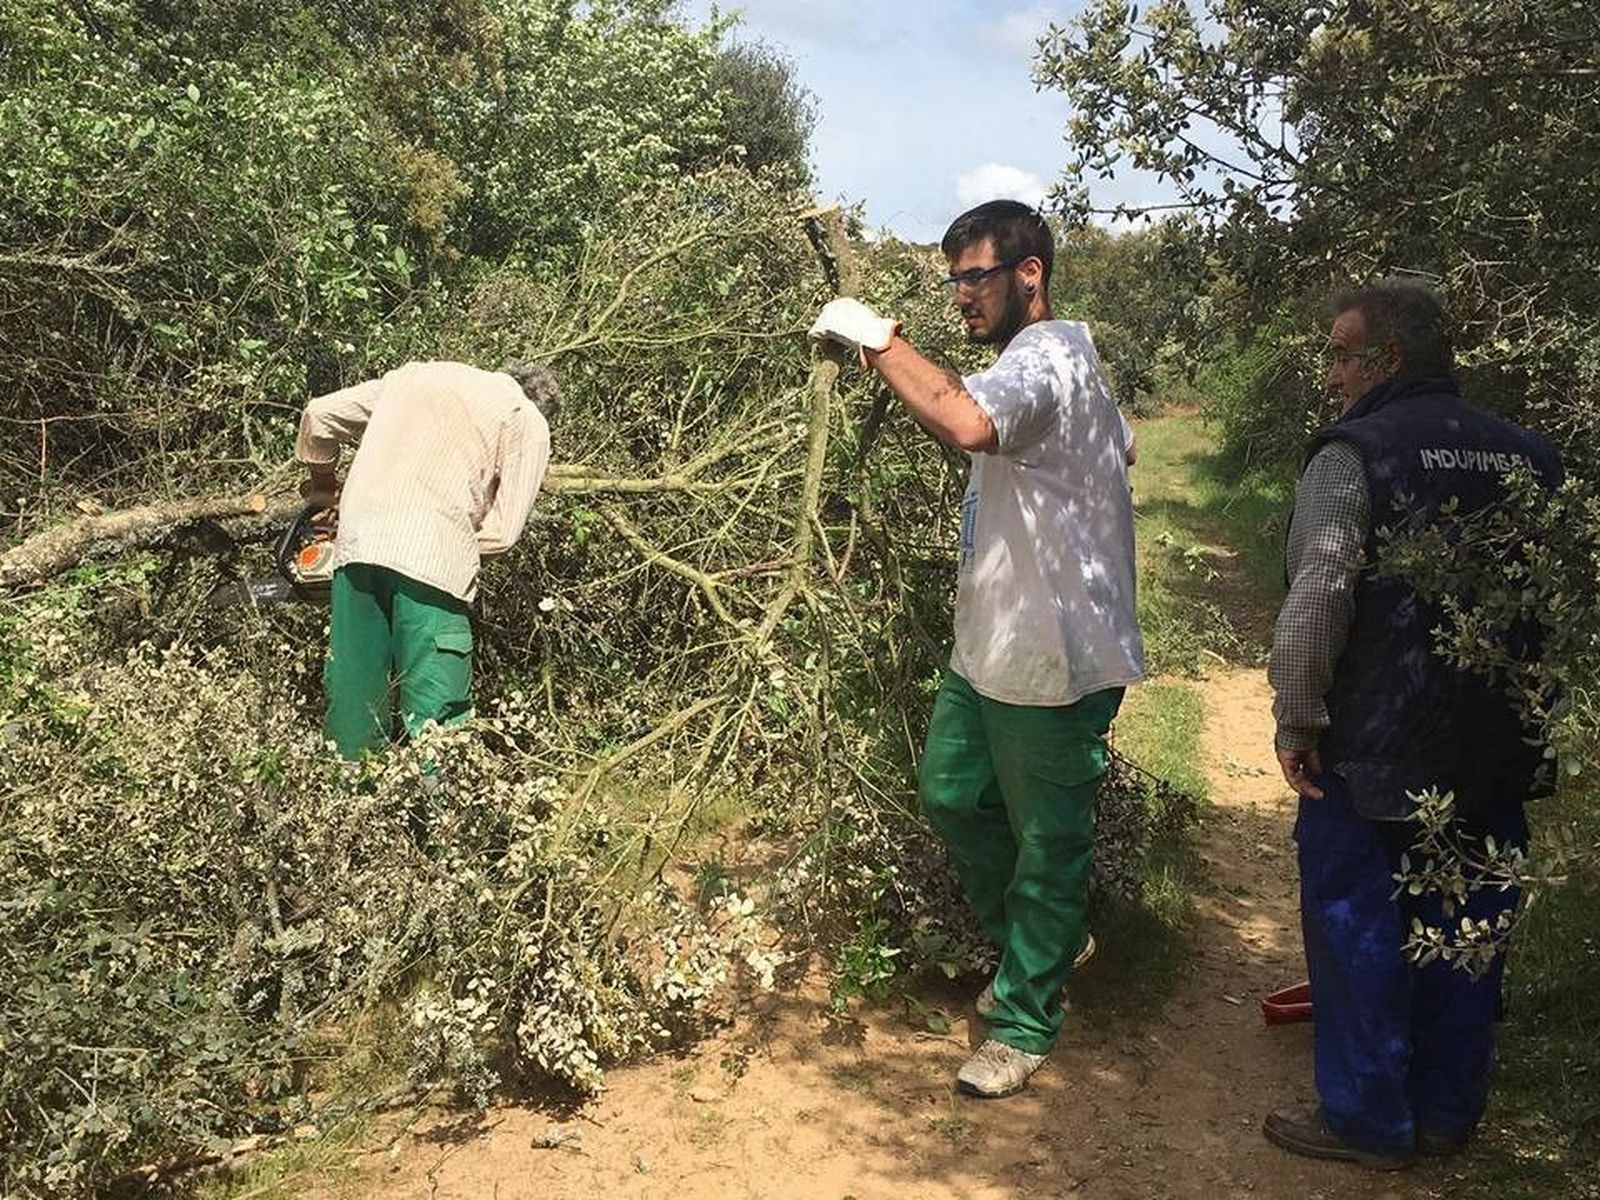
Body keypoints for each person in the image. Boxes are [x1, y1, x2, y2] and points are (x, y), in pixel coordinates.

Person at [809, 200, 1145, 1098]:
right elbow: (1123, 445)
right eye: (954, 279)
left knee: (1049, 843)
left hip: (1055, 657)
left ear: (1029, 275)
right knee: (952, 794)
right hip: (992, 644)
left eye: (975, 277)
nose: (961, 295)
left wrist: (880, 341)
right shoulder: (1064, 364)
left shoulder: (1046, 357)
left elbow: (964, 422)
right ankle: (1043, 943)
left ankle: (1026, 1020)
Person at [1266, 280, 1563, 1168]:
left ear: (1386, 360)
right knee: (1468, 930)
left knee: (1358, 927)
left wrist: (1298, 718)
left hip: (1374, 750)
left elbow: (1319, 596)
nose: (1330, 375)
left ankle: (1367, 1122)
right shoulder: (1533, 459)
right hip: (1499, 747)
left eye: (1339, 354)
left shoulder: (1353, 455)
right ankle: (1445, 1115)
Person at [295, 360, 557, 759]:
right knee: (437, 717)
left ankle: (347, 795)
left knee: (353, 705)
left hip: (358, 543)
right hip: (434, 554)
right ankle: (440, 798)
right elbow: (504, 533)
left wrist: (323, 491)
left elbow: (318, 415)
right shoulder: (526, 416)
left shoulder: (414, 376)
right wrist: (456, 549)